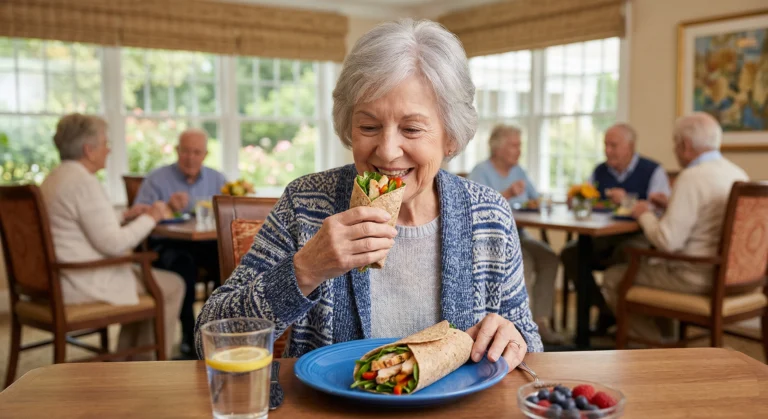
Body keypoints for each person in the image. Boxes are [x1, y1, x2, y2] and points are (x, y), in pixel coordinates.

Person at [194, 19, 543, 367]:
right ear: (349, 125)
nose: (388, 151)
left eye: (411, 128)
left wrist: (514, 337)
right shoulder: (305, 205)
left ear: (450, 136)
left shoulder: (489, 215)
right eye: (369, 126)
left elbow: (528, 345)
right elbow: (207, 337)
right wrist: (304, 270)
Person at [41, 113, 184, 359]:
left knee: (148, 284)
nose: (108, 150)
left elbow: (82, 227)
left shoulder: (54, 179)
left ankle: (126, 361)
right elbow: (114, 244)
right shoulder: (83, 183)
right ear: (89, 150)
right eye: (105, 143)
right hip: (82, 280)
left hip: (58, 278)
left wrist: (127, 216)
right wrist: (152, 217)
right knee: (172, 285)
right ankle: (148, 367)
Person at [601, 112, 749, 341]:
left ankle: (657, 347)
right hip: (733, 276)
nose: (674, 149)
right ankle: (665, 339)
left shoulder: (692, 177)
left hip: (693, 277)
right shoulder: (738, 173)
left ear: (685, 145)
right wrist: (671, 205)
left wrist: (644, 213)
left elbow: (667, 241)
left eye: (675, 144)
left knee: (612, 278)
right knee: (646, 268)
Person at [559, 123, 671, 333]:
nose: (608, 150)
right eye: (605, 145)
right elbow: (585, 196)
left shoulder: (653, 170)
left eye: (613, 145)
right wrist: (576, 198)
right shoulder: (600, 171)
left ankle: (630, 322)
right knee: (571, 253)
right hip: (601, 237)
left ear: (630, 146)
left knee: (624, 255)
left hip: (637, 237)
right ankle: (606, 312)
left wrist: (627, 200)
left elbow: (659, 209)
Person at [131, 128, 226, 359]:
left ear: (204, 154)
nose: (190, 157)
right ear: (177, 151)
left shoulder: (217, 179)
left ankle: (216, 330)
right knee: (184, 266)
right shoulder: (157, 179)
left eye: (196, 152)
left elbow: (226, 213)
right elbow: (136, 215)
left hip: (204, 243)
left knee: (226, 263)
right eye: (185, 151)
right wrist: (165, 206)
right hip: (166, 244)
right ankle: (188, 336)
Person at [469, 125, 565, 344]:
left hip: (520, 233)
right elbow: (475, 207)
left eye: (519, 145)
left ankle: (540, 321)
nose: (519, 150)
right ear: (498, 148)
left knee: (549, 257)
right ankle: (520, 327)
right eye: (514, 145)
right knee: (525, 262)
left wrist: (537, 201)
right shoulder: (481, 171)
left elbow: (535, 199)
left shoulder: (519, 171)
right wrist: (507, 194)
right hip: (494, 240)